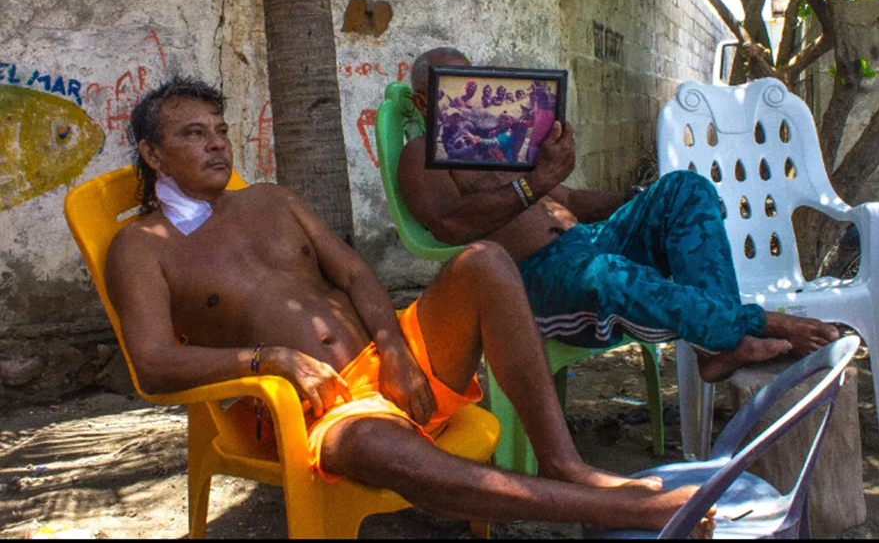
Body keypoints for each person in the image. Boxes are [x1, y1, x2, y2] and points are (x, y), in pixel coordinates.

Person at [104, 77, 716, 536]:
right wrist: (273, 360)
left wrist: (394, 346)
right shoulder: (140, 246)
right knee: (376, 451)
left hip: (396, 353)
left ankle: (564, 462)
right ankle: (619, 507)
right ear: (153, 156)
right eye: (193, 135)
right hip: (323, 406)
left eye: (220, 131)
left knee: (483, 261)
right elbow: (153, 364)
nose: (216, 145)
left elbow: (352, 271)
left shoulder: (270, 199)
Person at [399, 47, 841, 383]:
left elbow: (568, 198)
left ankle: (715, 345)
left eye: (469, 81)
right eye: (452, 87)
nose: (469, 94)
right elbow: (449, 225)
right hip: (535, 281)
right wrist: (533, 182)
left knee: (685, 188)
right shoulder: (420, 155)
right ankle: (747, 322)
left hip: (589, 240)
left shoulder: (501, 142)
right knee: (608, 271)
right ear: (423, 104)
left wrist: (640, 202)